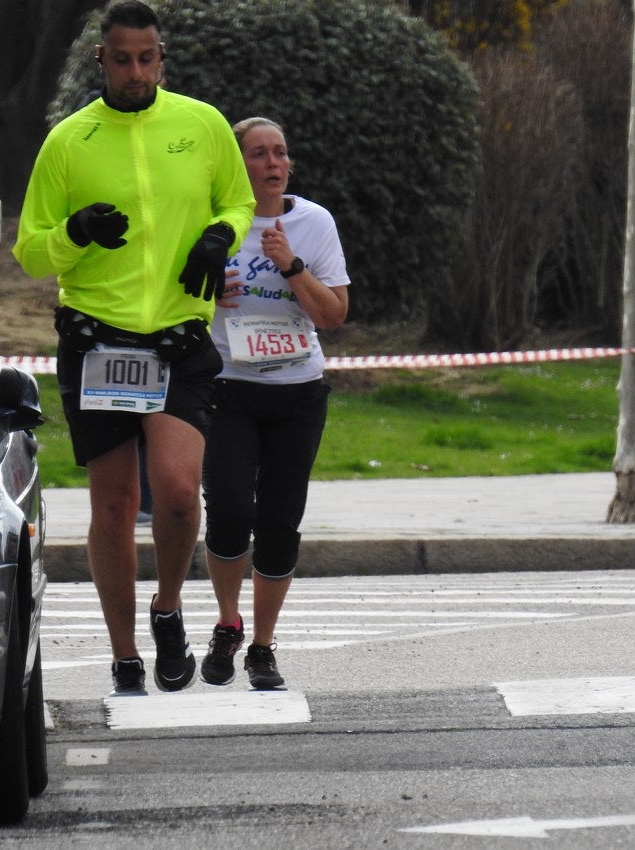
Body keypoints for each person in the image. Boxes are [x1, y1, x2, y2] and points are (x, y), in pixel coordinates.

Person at [12, 0, 255, 695]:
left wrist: (219, 238)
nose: (135, 71)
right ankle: (123, 655)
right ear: (102, 60)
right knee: (114, 507)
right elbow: (30, 251)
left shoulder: (200, 124)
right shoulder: (69, 142)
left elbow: (235, 202)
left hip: (178, 335)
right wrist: (76, 233)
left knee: (178, 496)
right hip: (99, 338)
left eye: (147, 58)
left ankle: (169, 606)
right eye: (122, 59)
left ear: (160, 57)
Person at [201, 117, 350, 689]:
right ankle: (227, 622)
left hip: (298, 393)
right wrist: (209, 289)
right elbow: (174, 295)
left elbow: (333, 316)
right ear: (237, 166)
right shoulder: (214, 222)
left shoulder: (313, 223)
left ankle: (262, 646)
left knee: (280, 522)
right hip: (229, 389)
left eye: (280, 153)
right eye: (259, 154)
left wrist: (291, 265)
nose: (272, 163)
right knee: (232, 512)